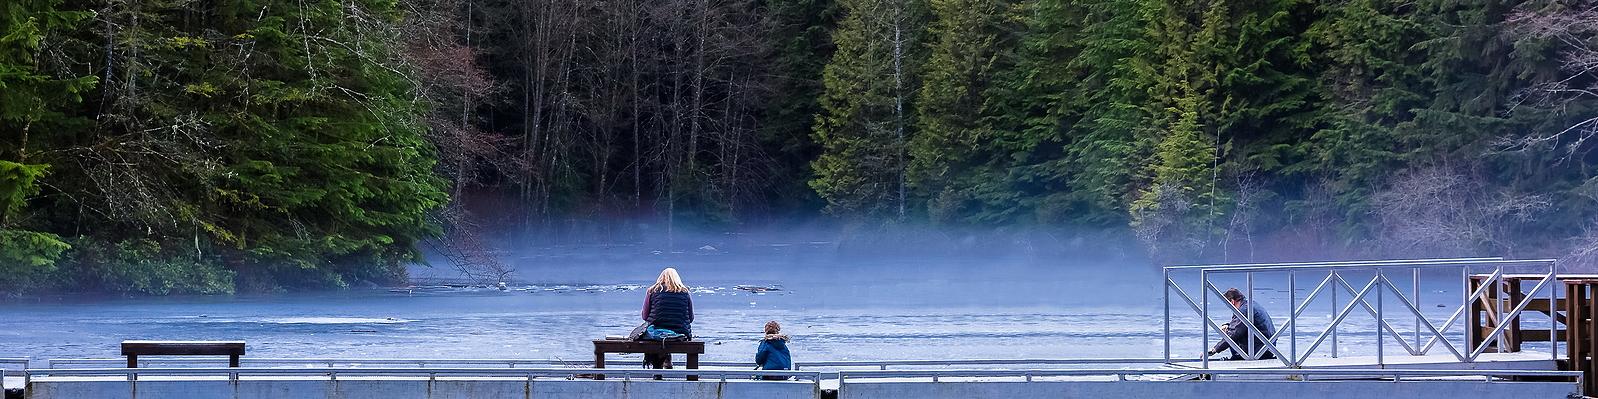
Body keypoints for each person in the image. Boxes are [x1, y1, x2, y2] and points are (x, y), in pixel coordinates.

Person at [638, 267, 694, 369]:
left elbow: (645, 316)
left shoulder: (651, 291)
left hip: (656, 332)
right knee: (668, 334)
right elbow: (691, 318)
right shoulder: (685, 292)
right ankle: (667, 359)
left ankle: (657, 369)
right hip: (680, 332)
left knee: (654, 335)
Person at [1207, 288, 1277, 360]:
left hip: (1259, 350)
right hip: (1268, 347)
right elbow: (1239, 324)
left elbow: (1234, 333)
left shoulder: (1243, 311)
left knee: (1231, 334)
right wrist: (1228, 325)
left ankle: (1238, 357)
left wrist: (1214, 350)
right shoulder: (1250, 305)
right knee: (1232, 330)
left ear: (1232, 302)